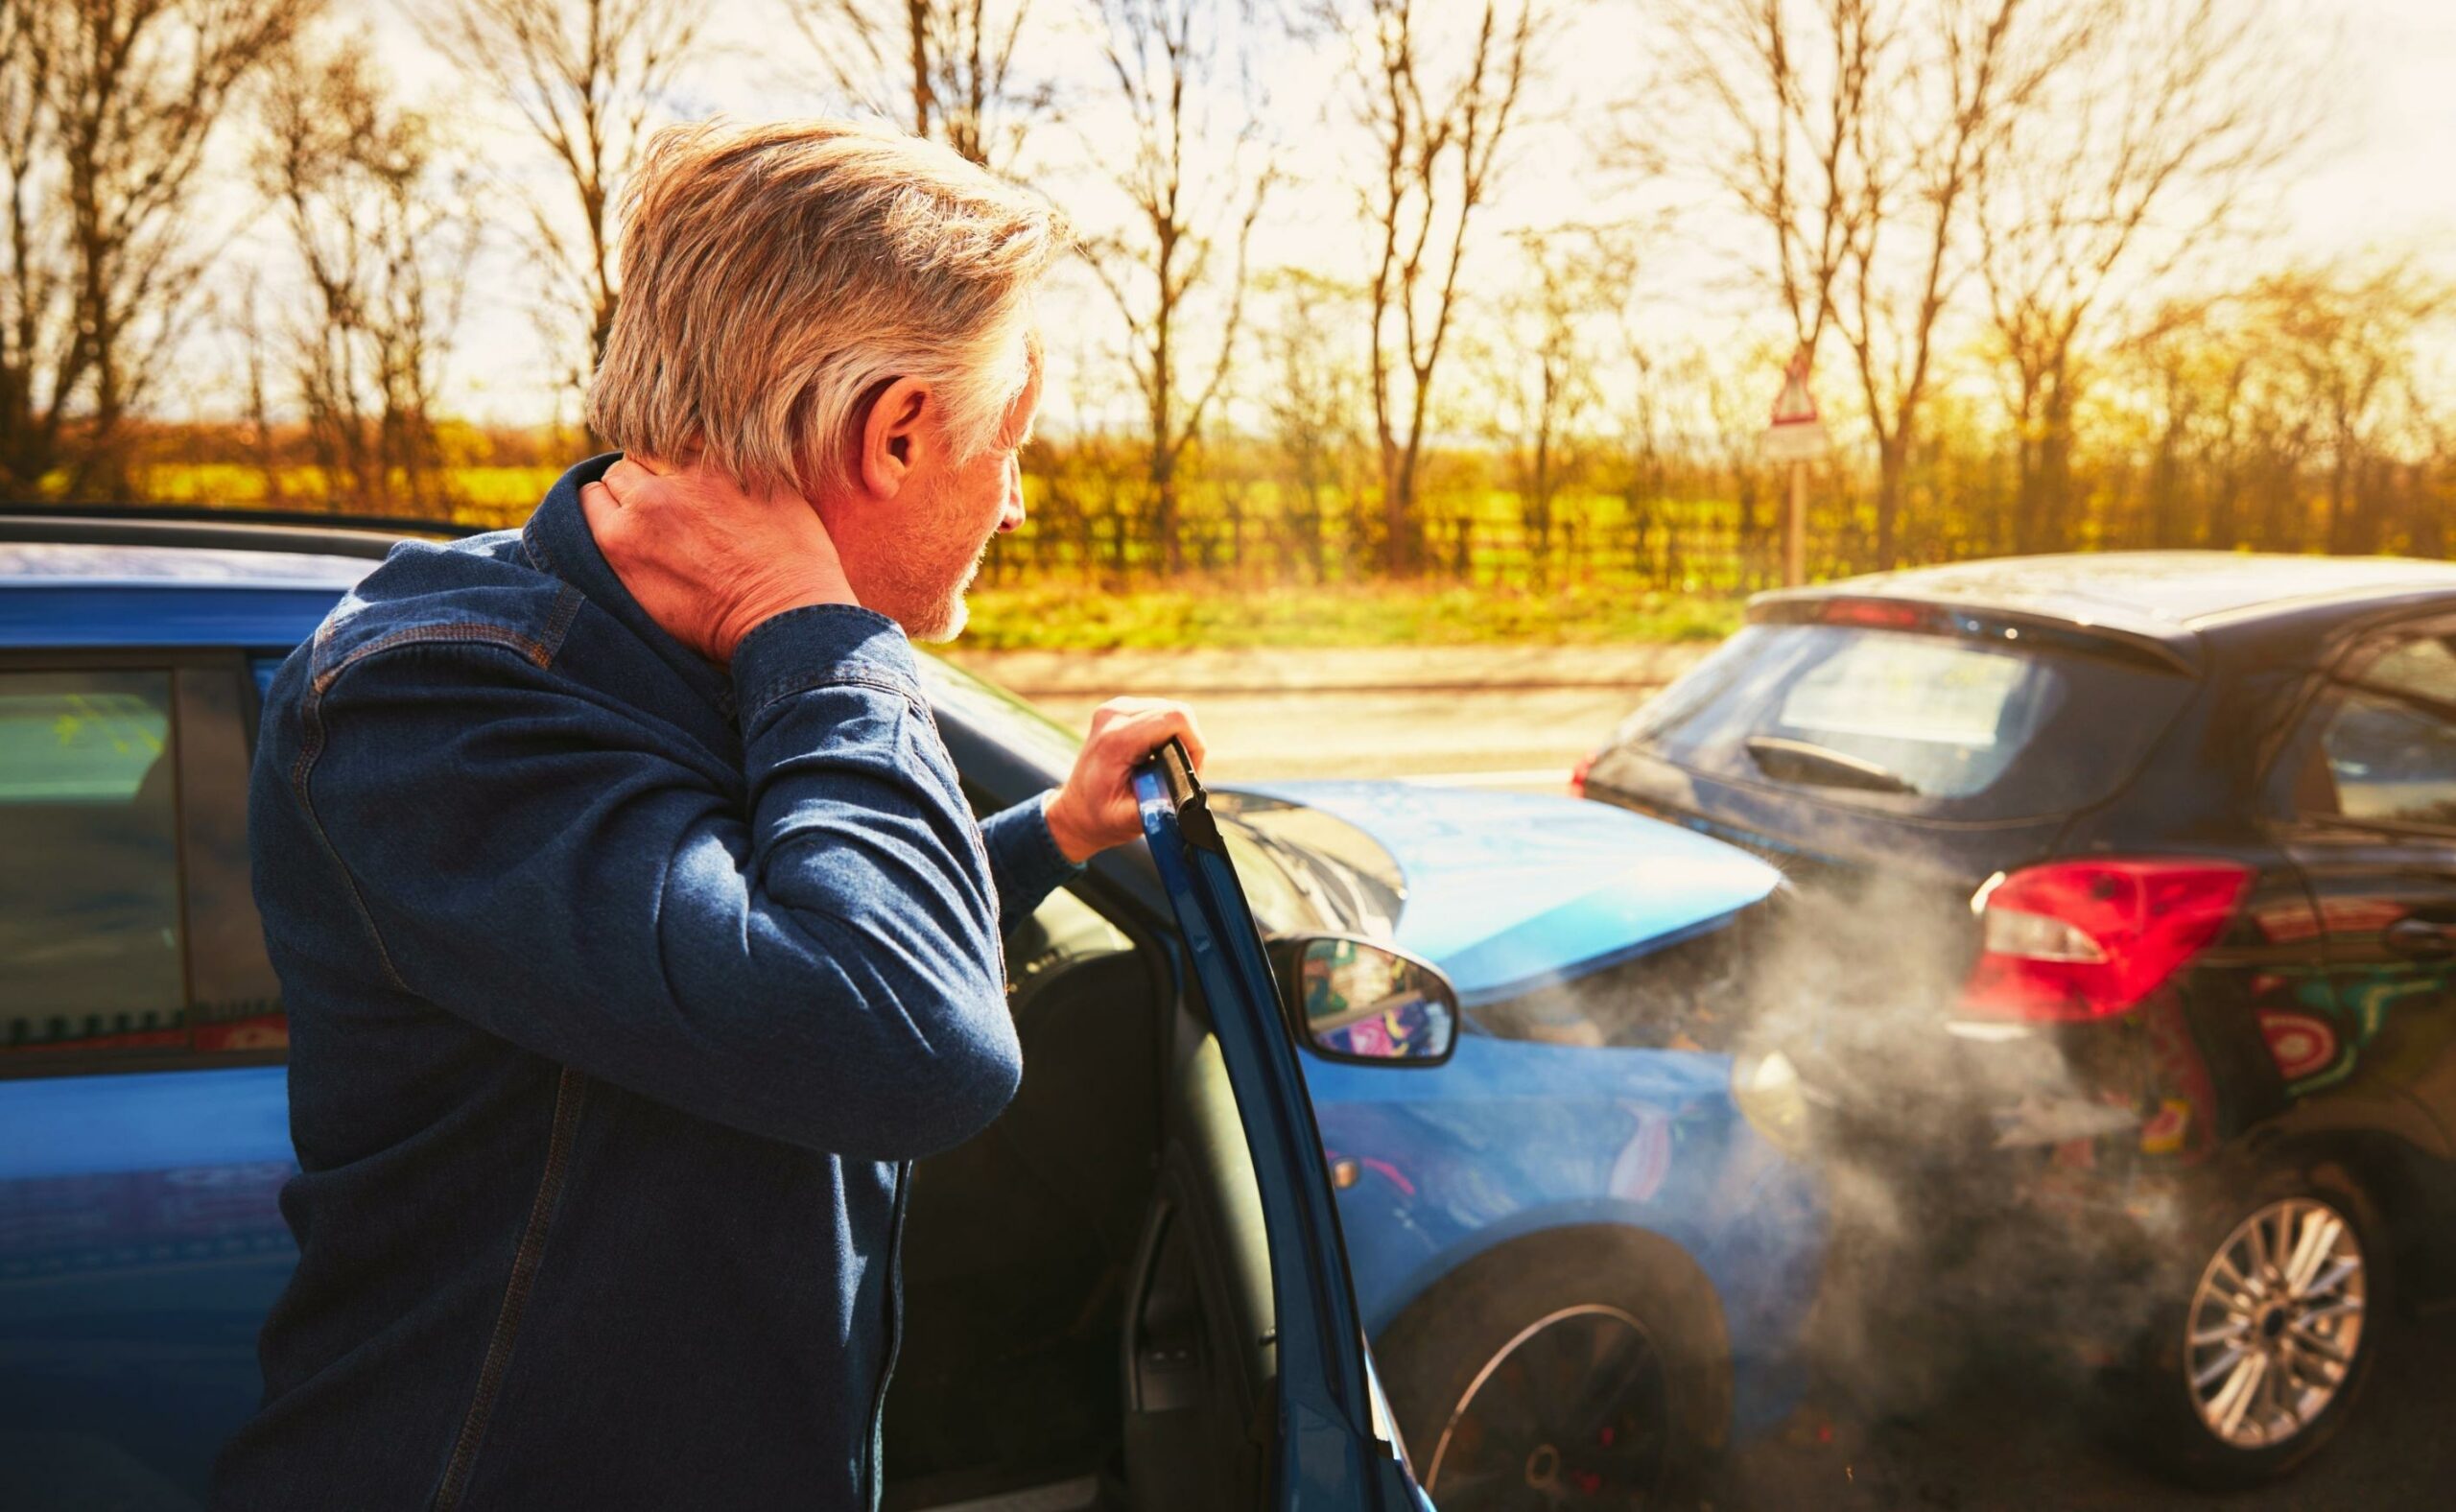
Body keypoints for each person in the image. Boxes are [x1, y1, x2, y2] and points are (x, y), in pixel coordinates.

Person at [213, 119, 1203, 1512]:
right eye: (1011, 445)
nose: (1018, 504)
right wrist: (822, 632)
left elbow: (747, 951)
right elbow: (907, 1044)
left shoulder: (708, 655)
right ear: (898, 433)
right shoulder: (431, 701)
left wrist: (1051, 835)